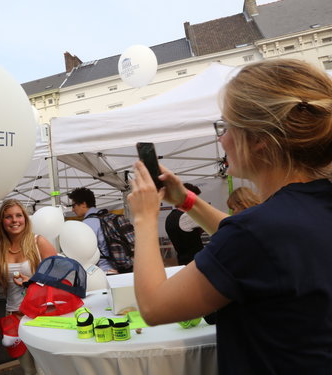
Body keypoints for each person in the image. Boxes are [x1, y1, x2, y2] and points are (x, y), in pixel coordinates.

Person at [128, 59, 332, 374]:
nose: (221, 140)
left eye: (225, 126)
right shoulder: (303, 212)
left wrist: (143, 217)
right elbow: (256, 248)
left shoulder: (259, 231)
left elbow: (154, 306)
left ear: (258, 138)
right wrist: (187, 201)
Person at [0, 199, 56, 375]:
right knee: (28, 370)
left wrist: (32, 281)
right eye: (8, 217)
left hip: (41, 315)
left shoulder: (38, 242)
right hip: (14, 315)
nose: (14, 220)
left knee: (45, 369)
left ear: (25, 219)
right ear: (2, 221)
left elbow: (59, 275)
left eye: (19, 215)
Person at [67, 187, 118, 274]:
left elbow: (84, 253)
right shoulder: (108, 217)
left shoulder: (87, 224)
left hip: (103, 271)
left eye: (73, 205)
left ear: (83, 204)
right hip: (120, 268)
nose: (72, 209)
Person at [164, 183, 205, 265]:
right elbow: (212, 226)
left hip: (183, 261)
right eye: (195, 199)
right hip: (197, 262)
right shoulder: (187, 217)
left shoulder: (170, 217)